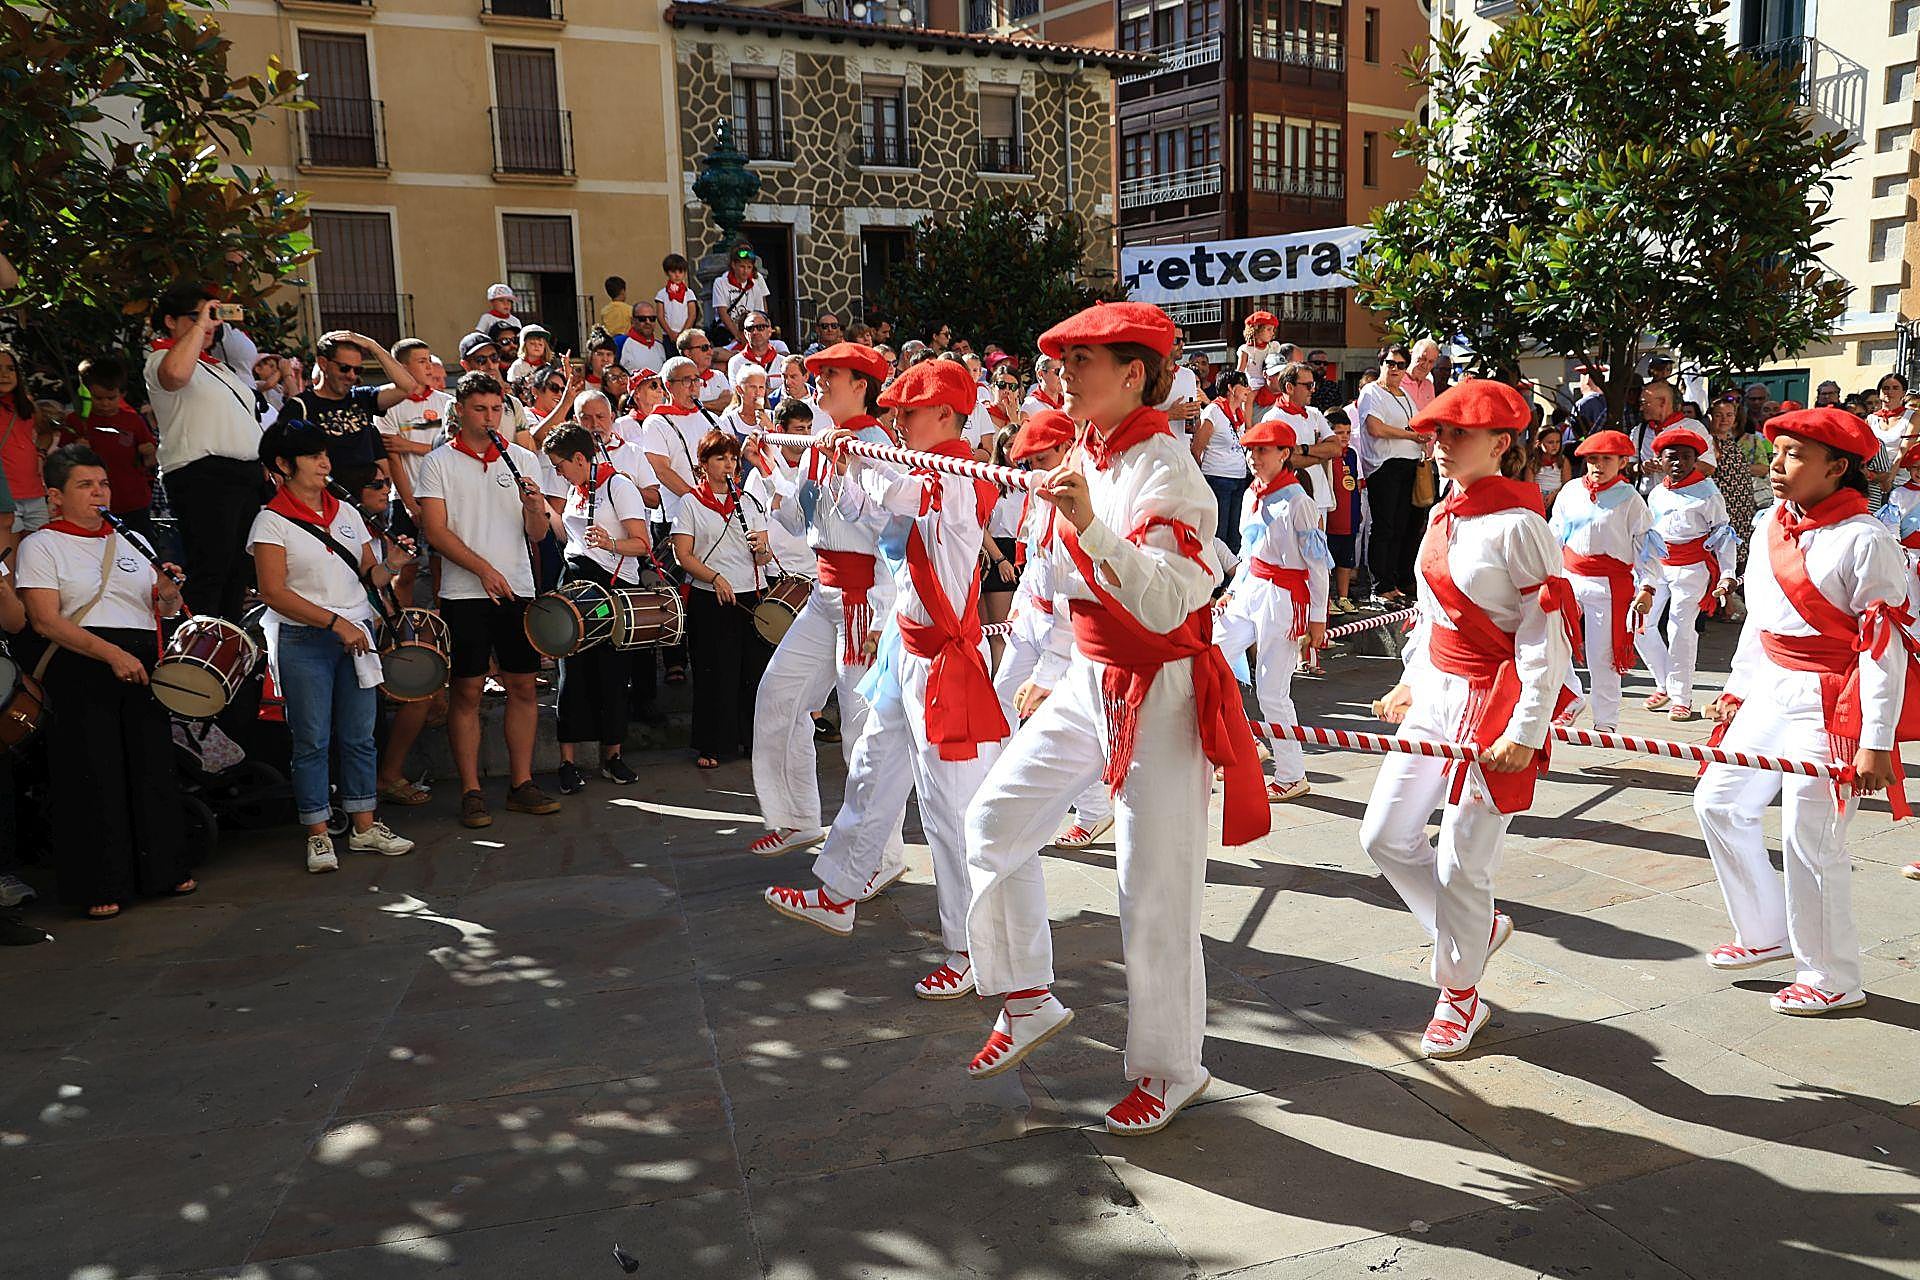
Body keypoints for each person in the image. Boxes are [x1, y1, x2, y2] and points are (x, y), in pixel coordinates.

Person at [963, 301, 1268, 1135]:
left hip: (1160, 691)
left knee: (1154, 896)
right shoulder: (1085, 455)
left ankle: (1172, 1071)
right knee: (991, 818)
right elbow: (1068, 592)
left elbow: (1171, 601)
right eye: (1060, 362)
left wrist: (1090, 526)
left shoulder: (1171, 472)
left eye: (1082, 361)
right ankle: (1025, 994)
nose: (1063, 376)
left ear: (1135, 373)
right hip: (1088, 679)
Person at [763, 357, 1012, 1003]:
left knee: (946, 811)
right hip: (903, 649)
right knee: (872, 768)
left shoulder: (960, 478)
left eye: (909, 411)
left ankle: (968, 950)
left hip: (942, 664)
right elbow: (870, 511)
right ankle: (840, 891)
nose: (897, 421)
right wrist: (837, 463)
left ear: (947, 416)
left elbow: (896, 496)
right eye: (894, 411)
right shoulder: (924, 467)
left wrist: (857, 458)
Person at [1361, 379, 1576, 1059]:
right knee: (1385, 835)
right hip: (1437, 698)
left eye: (1458, 434)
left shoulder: (1522, 526)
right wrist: (1409, 680)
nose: (1441, 445)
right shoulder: (1443, 513)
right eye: (1438, 433)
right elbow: (1431, 617)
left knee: (1461, 862)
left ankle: (1459, 993)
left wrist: (1527, 730)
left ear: (1501, 443)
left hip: (1497, 704)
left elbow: (1546, 638)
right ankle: (1474, 932)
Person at [1695, 407, 1915, 1015]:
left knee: (1809, 839)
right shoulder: (1769, 522)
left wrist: (1875, 739)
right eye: (1777, 452)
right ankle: (1765, 930)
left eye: (1795, 456)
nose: (1777, 466)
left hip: (1831, 701)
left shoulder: (1866, 540)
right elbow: (1760, 622)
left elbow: (1882, 648)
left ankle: (1832, 974)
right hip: (1771, 687)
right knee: (1717, 800)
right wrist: (1738, 689)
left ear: (1837, 468)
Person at [16, 445, 196, 916]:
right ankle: (101, 885)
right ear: (55, 497)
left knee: (151, 766)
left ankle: (163, 870)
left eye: (104, 484)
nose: (99, 493)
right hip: (81, 663)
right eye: (85, 486)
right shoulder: (41, 545)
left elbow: (160, 610)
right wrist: (110, 654)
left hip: (140, 661)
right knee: (93, 773)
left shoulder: (134, 540)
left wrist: (169, 593)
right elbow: (45, 621)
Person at [748, 346, 905, 880]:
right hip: (823, 594)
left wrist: (882, 616)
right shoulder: (819, 445)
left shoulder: (880, 448)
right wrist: (770, 467)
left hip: (865, 603)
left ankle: (882, 858)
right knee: (778, 695)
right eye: (816, 375)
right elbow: (797, 521)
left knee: (864, 732)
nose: (818, 384)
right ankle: (796, 817)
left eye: (829, 375)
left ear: (861, 384)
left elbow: (892, 535)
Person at [248, 422, 415, 872]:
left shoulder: (345, 510)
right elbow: (272, 591)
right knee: (312, 741)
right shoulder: (270, 520)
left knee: (360, 736)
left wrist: (392, 565)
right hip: (305, 638)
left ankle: (364, 826)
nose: (325, 463)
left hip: (354, 632)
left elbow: (368, 576)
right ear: (283, 466)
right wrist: (334, 622)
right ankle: (318, 834)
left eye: (325, 453)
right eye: (312, 455)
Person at [414, 371, 561, 828]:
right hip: (464, 593)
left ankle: (521, 784)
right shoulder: (437, 462)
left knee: (522, 686)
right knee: (468, 691)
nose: (490, 417)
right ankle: (471, 792)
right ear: (460, 410)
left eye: (497, 409)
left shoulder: (522, 459)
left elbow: (535, 534)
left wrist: (535, 506)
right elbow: (435, 532)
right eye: (480, 409)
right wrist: (483, 570)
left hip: (517, 587)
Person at [1213, 415, 1331, 803]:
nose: (1254, 457)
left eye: (1262, 450)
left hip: (1284, 600)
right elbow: (1248, 552)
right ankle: (1242, 740)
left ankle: (1292, 773)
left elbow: (1317, 565)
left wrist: (1317, 619)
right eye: (1250, 450)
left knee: (1272, 691)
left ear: (1285, 454)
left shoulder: (1299, 502)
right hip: (1251, 590)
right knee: (1211, 655)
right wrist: (1233, 589)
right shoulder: (1252, 494)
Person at [543, 420, 651, 793]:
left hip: (610, 587)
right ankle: (567, 762)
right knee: (570, 673)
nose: (558, 473)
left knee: (612, 673)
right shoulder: (575, 489)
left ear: (578, 457)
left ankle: (613, 756)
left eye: (560, 465)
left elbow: (642, 543)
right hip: (574, 584)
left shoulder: (618, 485)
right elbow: (569, 536)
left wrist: (609, 544)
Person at [146, 285, 266, 619]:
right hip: (205, 474)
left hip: (244, 475)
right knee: (212, 567)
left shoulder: (218, 366)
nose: (209, 323)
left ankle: (227, 646)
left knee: (237, 571)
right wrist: (200, 326)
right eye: (197, 315)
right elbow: (175, 375)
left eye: (212, 317)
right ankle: (201, 648)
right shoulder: (160, 358)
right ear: (170, 321)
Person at [672, 429, 774, 768]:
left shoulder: (748, 501)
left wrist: (761, 551)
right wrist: (714, 577)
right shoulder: (690, 503)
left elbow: (764, 555)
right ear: (704, 464)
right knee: (715, 672)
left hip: (749, 594)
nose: (729, 465)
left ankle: (751, 740)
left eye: (732, 459)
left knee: (752, 671)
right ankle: (712, 745)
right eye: (721, 459)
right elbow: (682, 555)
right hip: (709, 598)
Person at [1633, 424, 1737, 722]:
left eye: (1686, 457)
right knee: (1639, 624)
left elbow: (1723, 535)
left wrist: (1727, 574)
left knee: (1679, 630)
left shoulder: (1708, 493)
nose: (1678, 463)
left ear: (1696, 460)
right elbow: (1647, 534)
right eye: (1671, 457)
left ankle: (1681, 697)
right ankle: (1663, 683)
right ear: (1661, 461)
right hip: (1657, 567)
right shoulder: (1656, 493)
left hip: (1691, 570)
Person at [1550, 430, 1652, 732]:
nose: (1598, 465)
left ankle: (1605, 724)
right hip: (1568, 577)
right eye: (1592, 459)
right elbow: (1554, 533)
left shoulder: (1631, 500)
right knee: (1551, 641)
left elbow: (1646, 546)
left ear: (1622, 462)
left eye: (1606, 459)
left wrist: (1647, 585)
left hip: (1609, 585)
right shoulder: (1570, 490)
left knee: (1603, 656)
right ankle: (1570, 698)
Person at [288, 331, 418, 495]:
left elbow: (408, 387)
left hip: (366, 505)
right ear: (323, 363)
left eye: (357, 370)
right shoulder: (300, 406)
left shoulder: (361, 397)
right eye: (344, 368)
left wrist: (373, 346)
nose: (351, 375)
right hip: (327, 500)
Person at [58, 356, 159, 542]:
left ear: (123, 393)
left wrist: (149, 452)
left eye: (111, 398)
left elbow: (150, 462)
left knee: (142, 549)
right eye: (98, 398)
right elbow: (61, 461)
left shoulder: (133, 420)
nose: (104, 404)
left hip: (132, 500)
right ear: (86, 393)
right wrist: (74, 450)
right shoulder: (76, 421)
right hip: (92, 503)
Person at [1190, 370, 1252, 552]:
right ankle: (1218, 578)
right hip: (1217, 479)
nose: (1248, 388)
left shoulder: (1238, 414)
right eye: (1243, 383)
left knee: (1235, 533)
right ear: (1231, 388)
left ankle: (1231, 578)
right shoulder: (1213, 411)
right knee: (1219, 534)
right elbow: (1197, 449)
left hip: (1239, 478)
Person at [0, 345, 47, 534]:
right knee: (11, 557)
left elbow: (45, 433)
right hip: (5, 497)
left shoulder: (26, 404)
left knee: (40, 550)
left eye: (10, 369)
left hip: (34, 493)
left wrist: (41, 454)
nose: (5, 375)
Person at [1324, 410, 1361, 612]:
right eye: (1339, 432)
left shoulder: (1352, 455)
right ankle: (1327, 598)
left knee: (1346, 560)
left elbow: (1355, 483)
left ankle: (1343, 597)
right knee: (1328, 560)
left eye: (1347, 432)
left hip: (1350, 515)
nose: (1344, 436)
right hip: (1331, 517)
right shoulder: (1327, 455)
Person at [711, 240, 769, 349]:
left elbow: (760, 311)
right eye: (742, 266)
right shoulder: (721, 282)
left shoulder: (755, 284)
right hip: (728, 331)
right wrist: (737, 334)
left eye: (749, 267)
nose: (745, 271)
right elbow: (722, 312)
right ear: (733, 265)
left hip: (751, 331)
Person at [677, 327, 732, 409]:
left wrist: (697, 405)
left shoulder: (719, 375)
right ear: (688, 353)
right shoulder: (677, 380)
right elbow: (683, 408)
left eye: (710, 347)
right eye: (704, 348)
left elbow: (729, 404)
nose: (711, 352)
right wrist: (717, 405)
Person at [655, 255, 702, 345]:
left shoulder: (689, 293)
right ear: (667, 272)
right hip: (668, 335)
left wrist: (683, 333)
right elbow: (660, 316)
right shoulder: (662, 294)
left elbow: (692, 314)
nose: (677, 275)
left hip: (685, 335)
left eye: (680, 271)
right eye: (673, 272)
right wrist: (670, 333)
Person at [615, 302, 668, 378]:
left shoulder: (660, 346)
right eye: (642, 319)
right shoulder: (620, 342)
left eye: (652, 319)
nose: (648, 322)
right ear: (632, 321)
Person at [1237, 310, 1278, 406]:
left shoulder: (1273, 347)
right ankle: (1247, 421)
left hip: (1269, 384)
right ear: (1256, 329)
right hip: (1253, 385)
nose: (1272, 333)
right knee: (1249, 397)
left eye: (1273, 330)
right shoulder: (1246, 349)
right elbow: (1240, 372)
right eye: (1268, 329)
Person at [1404, 338, 1442, 411]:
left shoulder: (1429, 386)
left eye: (1431, 362)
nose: (1425, 366)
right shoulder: (1397, 382)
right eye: (1422, 358)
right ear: (1411, 354)